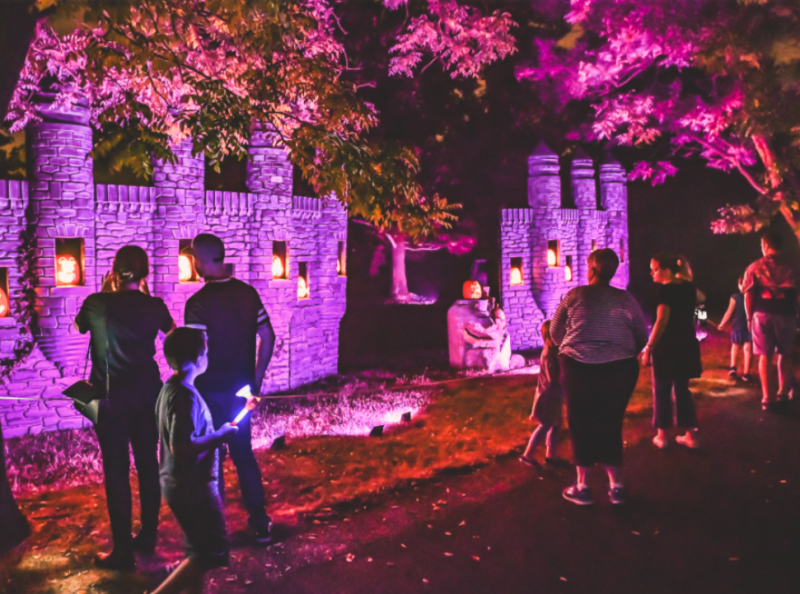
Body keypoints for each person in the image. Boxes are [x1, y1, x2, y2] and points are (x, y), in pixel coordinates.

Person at [74, 245, 175, 570]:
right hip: (148, 395)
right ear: (145, 273)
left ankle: (122, 552)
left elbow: (78, 328)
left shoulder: (97, 302)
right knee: (148, 465)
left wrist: (107, 293)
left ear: (114, 271)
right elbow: (172, 334)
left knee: (116, 471)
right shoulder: (155, 306)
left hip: (110, 399)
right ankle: (147, 536)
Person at [183, 234, 276, 543]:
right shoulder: (248, 294)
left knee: (211, 460)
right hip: (241, 391)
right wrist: (257, 378)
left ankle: (215, 530)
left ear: (201, 261)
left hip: (209, 392)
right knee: (243, 454)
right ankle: (260, 521)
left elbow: (196, 353)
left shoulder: (197, 304)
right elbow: (268, 335)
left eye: (194, 258)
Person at [550, 248, 648, 506]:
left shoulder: (575, 295)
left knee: (580, 422)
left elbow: (555, 330)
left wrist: (567, 349)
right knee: (611, 421)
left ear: (591, 269)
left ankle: (582, 486)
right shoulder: (626, 299)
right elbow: (641, 334)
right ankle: (617, 486)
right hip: (619, 369)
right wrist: (625, 352)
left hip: (578, 367)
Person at [152, 327, 238, 594]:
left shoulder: (172, 388)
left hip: (179, 482)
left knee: (198, 547)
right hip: (191, 486)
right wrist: (220, 436)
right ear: (198, 357)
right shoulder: (184, 397)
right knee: (211, 549)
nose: (208, 356)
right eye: (206, 351)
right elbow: (181, 446)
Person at [640, 253, 703, 450]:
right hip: (686, 343)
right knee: (683, 390)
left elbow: (662, 320)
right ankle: (690, 435)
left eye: (655, 269)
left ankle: (663, 436)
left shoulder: (664, 292)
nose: (651, 273)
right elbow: (702, 298)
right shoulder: (688, 287)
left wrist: (649, 347)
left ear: (666, 270)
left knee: (662, 390)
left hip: (667, 347)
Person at [742, 230, 798, 410]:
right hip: (787, 314)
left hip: (762, 315)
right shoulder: (793, 266)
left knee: (764, 356)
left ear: (766, 245)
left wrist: (749, 318)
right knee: (785, 354)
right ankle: (782, 392)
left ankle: (767, 397)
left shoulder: (754, 267)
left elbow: (748, 295)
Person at [520, 320, 564, 468]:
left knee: (555, 425)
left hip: (553, 395)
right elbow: (553, 378)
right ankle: (528, 454)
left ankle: (551, 455)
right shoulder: (549, 355)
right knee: (545, 425)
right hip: (549, 395)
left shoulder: (552, 351)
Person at [717, 277, 753, 381]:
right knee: (747, 349)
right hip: (749, 325)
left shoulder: (735, 297)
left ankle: (733, 367)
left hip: (738, 325)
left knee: (735, 347)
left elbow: (729, 312)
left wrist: (722, 324)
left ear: (739, 285)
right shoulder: (752, 296)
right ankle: (746, 373)